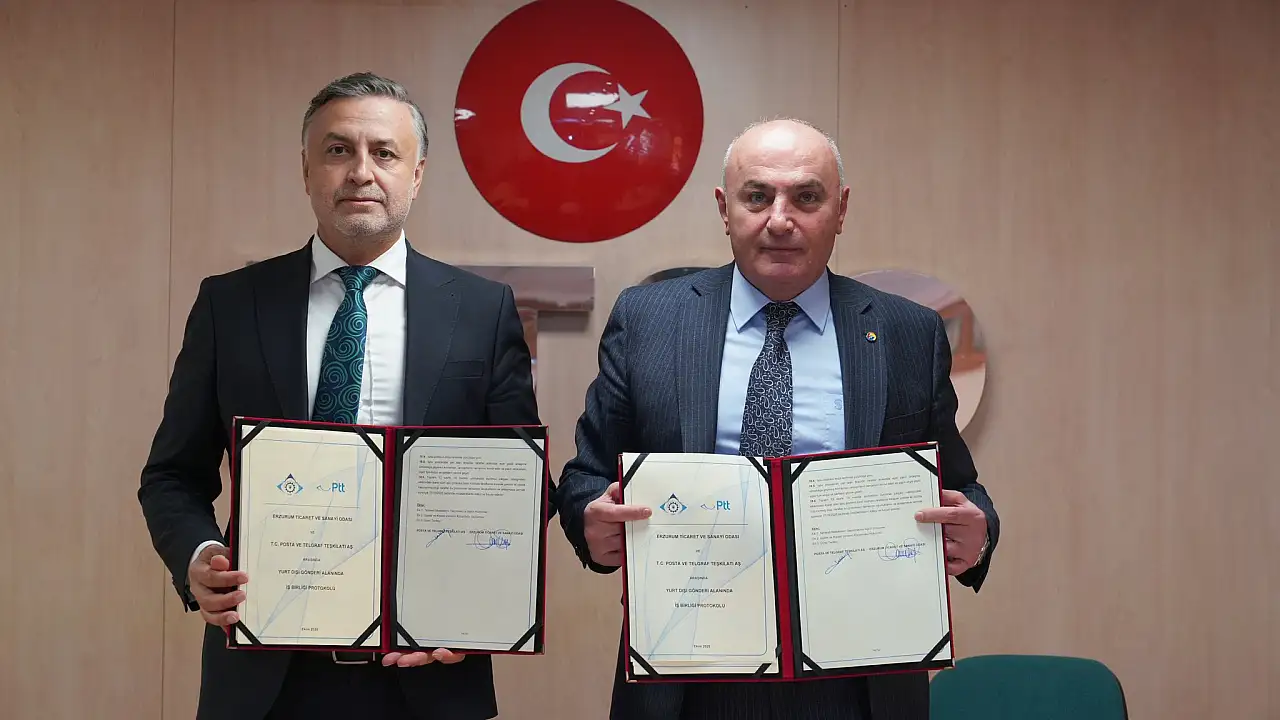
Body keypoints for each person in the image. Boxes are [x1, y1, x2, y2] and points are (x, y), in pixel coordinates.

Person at [555, 118, 999, 720]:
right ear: (725, 208)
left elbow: (959, 483)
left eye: (807, 197)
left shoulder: (907, 332)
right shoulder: (648, 320)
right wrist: (591, 518)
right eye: (758, 196)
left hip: (859, 678)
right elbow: (585, 474)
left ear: (841, 210)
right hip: (687, 675)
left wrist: (977, 530)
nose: (781, 219)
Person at [137, 72, 539, 720]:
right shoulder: (230, 305)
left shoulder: (482, 311)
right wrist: (199, 557)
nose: (360, 172)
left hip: (427, 668)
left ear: (417, 175)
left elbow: (521, 486)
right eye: (337, 150)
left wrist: (474, 604)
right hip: (264, 669)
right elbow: (172, 475)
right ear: (306, 170)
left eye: (384, 153)